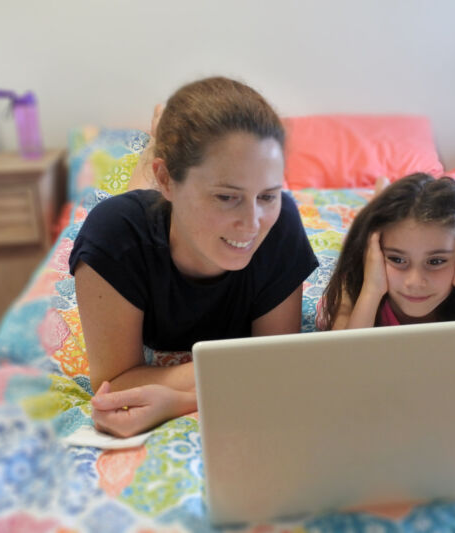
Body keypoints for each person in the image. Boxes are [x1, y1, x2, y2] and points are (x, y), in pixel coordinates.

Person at [69, 77, 319, 437]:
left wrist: (180, 402)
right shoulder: (114, 235)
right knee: (140, 201)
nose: (252, 224)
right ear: (167, 179)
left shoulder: (280, 226)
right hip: (147, 209)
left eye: (267, 195)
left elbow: (272, 362)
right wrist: (248, 366)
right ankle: (155, 143)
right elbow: (115, 383)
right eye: (226, 197)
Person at [318, 173, 455, 330]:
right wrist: (371, 291)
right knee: (368, 226)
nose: (414, 282)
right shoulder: (357, 278)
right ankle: (380, 192)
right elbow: (346, 358)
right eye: (397, 259)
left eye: (436, 261)